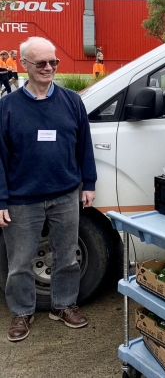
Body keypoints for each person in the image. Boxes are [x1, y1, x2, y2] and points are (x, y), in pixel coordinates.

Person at [0, 37, 97, 342]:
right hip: (21, 199)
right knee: (19, 263)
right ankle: (21, 311)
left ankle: (64, 305)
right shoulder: (7, 107)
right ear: (24, 65)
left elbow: (84, 147)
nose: (48, 68)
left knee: (67, 257)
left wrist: (89, 183)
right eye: (40, 63)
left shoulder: (72, 101)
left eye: (53, 62)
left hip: (65, 194)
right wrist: (1, 199)